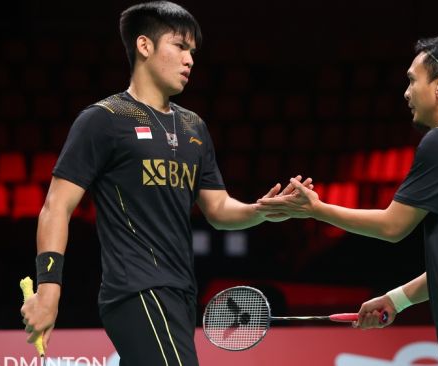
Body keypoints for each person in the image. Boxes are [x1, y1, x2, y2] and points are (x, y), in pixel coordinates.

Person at [19, 2, 310, 365]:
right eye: (179, 46)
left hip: (181, 292)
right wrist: (49, 292)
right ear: (144, 46)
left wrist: (261, 211)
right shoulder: (104, 120)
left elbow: (218, 210)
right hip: (136, 289)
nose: (190, 60)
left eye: (193, 51)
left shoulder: (193, 127)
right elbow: (55, 208)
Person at [256, 34, 438, 365]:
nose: (406, 93)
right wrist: (397, 299)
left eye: (412, 80)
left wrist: (315, 210)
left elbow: (393, 226)